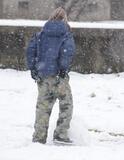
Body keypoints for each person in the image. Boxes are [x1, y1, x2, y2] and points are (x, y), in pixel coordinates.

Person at [26, 7, 76, 144]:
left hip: (42, 76)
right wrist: (63, 69)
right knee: (66, 105)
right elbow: (67, 52)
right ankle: (61, 134)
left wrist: (33, 68)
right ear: (64, 18)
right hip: (58, 76)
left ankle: (39, 137)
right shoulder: (66, 33)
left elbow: (30, 51)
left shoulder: (41, 33)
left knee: (43, 107)